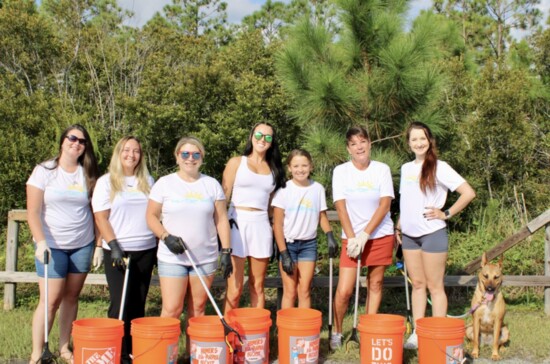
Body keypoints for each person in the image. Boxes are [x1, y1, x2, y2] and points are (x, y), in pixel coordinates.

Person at [397, 121, 475, 349]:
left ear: (429, 141)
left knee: (435, 286)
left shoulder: (440, 167)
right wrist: (400, 225)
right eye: (414, 139)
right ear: (409, 144)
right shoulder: (405, 168)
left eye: (423, 138)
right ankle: (418, 334)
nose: (419, 143)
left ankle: (438, 334)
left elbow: (468, 193)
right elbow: (407, 200)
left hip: (432, 234)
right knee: (418, 284)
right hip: (409, 236)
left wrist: (446, 213)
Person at [146, 136, 232, 340]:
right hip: (172, 257)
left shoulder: (211, 185)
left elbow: (221, 220)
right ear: (177, 157)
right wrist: (165, 237)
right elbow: (150, 216)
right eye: (185, 154)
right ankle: (164, 354)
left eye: (195, 154)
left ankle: (194, 355)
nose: (190, 158)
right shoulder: (164, 184)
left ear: (202, 158)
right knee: (171, 309)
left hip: (204, 258)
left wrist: (226, 251)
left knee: (198, 310)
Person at [26, 124, 99, 364]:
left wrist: (98, 244)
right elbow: (33, 212)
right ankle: (38, 352)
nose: (76, 143)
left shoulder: (87, 172)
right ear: (62, 140)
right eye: (72, 138)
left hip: (82, 244)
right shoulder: (44, 171)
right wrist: (40, 241)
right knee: (50, 300)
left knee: (71, 296)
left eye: (82, 141)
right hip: (51, 246)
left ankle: (64, 347)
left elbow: (95, 210)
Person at [91, 136, 157, 364]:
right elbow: (101, 217)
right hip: (119, 251)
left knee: (138, 303)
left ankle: (135, 351)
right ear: (119, 153)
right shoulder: (106, 182)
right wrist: (114, 245)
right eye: (127, 150)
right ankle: (117, 352)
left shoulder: (148, 180)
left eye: (136, 151)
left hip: (146, 249)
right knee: (120, 302)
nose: (132, 155)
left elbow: (156, 213)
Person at [330, 126, 395, 350]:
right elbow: (340, 207)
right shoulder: (341, 171)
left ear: (370, 144)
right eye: (354, 143)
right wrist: (353, 238)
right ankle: (337, 332)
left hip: (379, 235)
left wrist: (366, 234)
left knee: (375, 283)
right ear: (348, 148)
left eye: (363, 142)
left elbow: (385, 204)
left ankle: (368, 329)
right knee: (345, 289)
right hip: (352, 237)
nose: (359, 147)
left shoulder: (382, 169)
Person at [222, 122, 286, 314]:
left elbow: (272, 207)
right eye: (259, 135)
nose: (262, 140)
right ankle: (228, 333)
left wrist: (276, 234)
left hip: (261, 226)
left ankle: (257, 336)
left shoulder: (275, 169)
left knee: (258, 286)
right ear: (251, 136)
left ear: (272, 142)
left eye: (268, 137)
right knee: (234, 288)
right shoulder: (236, 162)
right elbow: (222, 199)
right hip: (237, 223)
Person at [271, 149, 338, 308]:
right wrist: (284, 253)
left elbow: (322, 216)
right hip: (289, 246)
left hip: (309, 245)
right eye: (296, 166)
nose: (300, 169)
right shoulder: (283, 191)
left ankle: (303, 330)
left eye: (304, 165)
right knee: (290, 291)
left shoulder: (318, 189)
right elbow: (277, 224)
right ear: (289, 168)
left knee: (304, 290)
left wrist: (329, 235)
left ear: (311, 166)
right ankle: (286, 330)